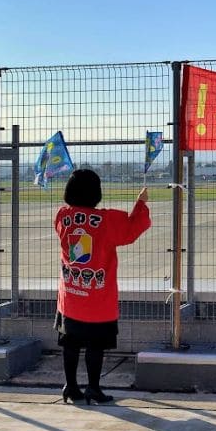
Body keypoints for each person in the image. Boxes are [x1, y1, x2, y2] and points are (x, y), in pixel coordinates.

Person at [54, 169, 150, 405]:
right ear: (96, 193)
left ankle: (70, 386)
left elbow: (64, 226)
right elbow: (132, 229)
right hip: (98, 299)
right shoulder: (107, 220)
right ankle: (93, 388)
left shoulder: (62, 216)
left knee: (70, 342)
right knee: (95, 345)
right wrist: (141, 203)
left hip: (71, 295)